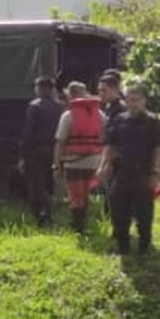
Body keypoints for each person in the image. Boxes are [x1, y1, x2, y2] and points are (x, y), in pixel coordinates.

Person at [99, 83, 160, 255]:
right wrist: (104, 165)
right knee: (118, 208)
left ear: (144, 101)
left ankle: (144, 244)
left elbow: (158, 147)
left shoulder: (152, 121)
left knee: (144, 211)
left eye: (137, 100)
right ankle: (123, 245)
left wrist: (156, 170)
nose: (133, 103)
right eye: (130, 100)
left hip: (144, 172)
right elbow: (110, 145)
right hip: (122, 171)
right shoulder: (119, 119)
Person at [54, 82, 106, 234]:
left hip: (73, 163)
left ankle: (78, 227)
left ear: (69, 95)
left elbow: (60, 143)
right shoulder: (100, 114)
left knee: (75, 196)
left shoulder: (68, 115)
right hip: (94, 162)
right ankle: (84, 223)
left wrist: (56, 165)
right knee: (86, 194)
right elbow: (105, 138)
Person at [20, 76, 63, 227]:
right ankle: (51, 214)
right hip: (55, 151)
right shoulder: (60, 107)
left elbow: (28, 133)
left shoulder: (34, 106)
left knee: (36, 186)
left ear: (39, 89)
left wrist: (23, 156)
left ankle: (42, 218)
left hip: (36, 152)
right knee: (50, 184)